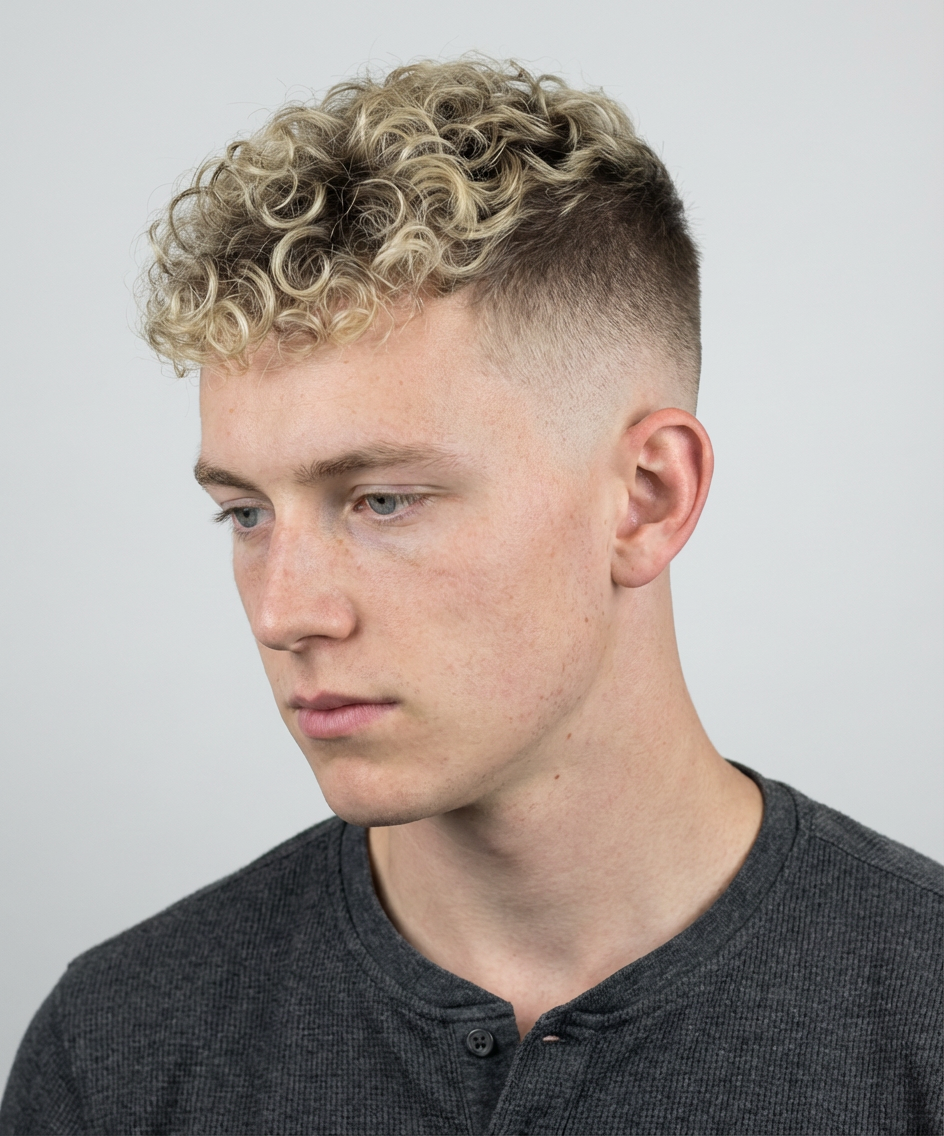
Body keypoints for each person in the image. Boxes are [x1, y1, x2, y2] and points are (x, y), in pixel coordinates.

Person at [1, 58, 940, 1136]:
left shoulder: (919, 1021)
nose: (284, 612)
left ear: (644, 498)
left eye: (383, 499)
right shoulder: (121, 1046)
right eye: (246, 512)